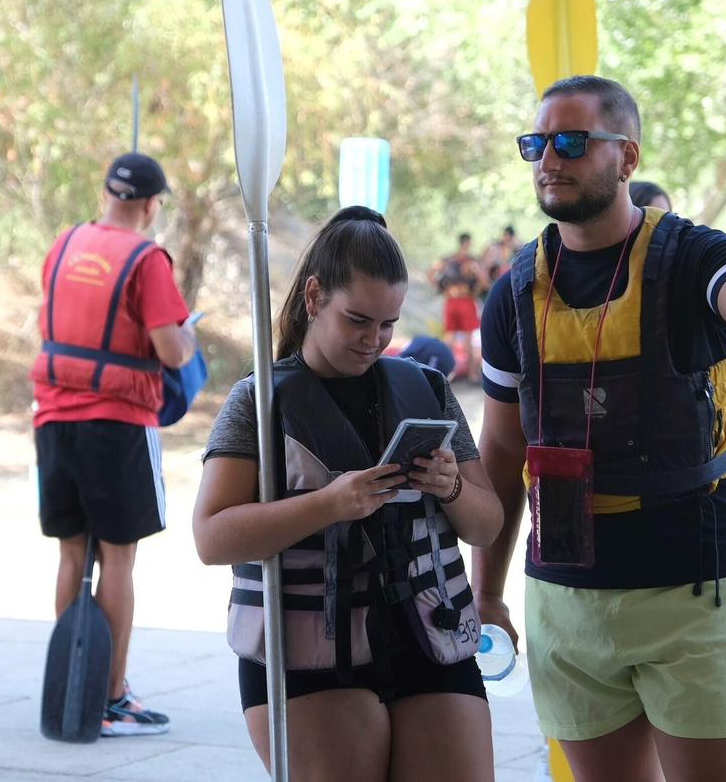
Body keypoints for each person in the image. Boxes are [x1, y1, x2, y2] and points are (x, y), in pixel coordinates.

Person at [472, 76, 726, 782]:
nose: (550, 157)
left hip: (692, 586)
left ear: (627, 157)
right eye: (538, 143)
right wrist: (485, 590)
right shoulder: (514, 291)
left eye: (573, 141)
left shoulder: (693, 256)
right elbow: (499, 454)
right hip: (565, 594)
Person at [193, 207, 505, 782]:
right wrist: (326, 504)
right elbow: (212, 537)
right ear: (314, 297)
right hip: (305, 652)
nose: (374, 340)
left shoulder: (427, 388)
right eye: (358, 320)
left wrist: (451, 486)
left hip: (428, 637)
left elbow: (486, 526)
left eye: (387, 324)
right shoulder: (259, 399)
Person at [30, 152, 197, 737]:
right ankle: (112, 696)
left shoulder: (64, 244)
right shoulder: (147, 260)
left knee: (72, 555)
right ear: (152, 205)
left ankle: (72, 680)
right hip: (119, 424)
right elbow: (171, 350)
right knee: (119, 559)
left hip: (52, 419)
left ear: (104, 193)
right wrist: (189, 333)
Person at [428, 233, 488, 381]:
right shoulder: (471, 261)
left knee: (450, 337)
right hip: (466, 300)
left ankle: (444, 372)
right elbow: (484, 280)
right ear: (468, 243)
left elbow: (430, 274)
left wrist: (441, 289)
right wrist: (474, 292)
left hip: (451, 300)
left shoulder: (447, 259)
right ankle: (472, 374)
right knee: (468, 338)